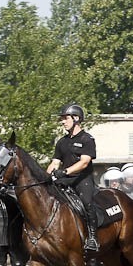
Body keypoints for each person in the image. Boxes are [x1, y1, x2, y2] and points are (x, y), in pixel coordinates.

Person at [46, 103, 99, 252]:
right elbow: (55, 162)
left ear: (76, 118)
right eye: (62, 119)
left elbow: (84, 162)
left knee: (87, 203)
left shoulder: (87, 139)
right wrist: (45, 177)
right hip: (65, 180)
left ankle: (93, 238)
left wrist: (65, 171)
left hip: (83, 179)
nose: (63, 122)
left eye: (65, 118)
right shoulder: (62, 142)